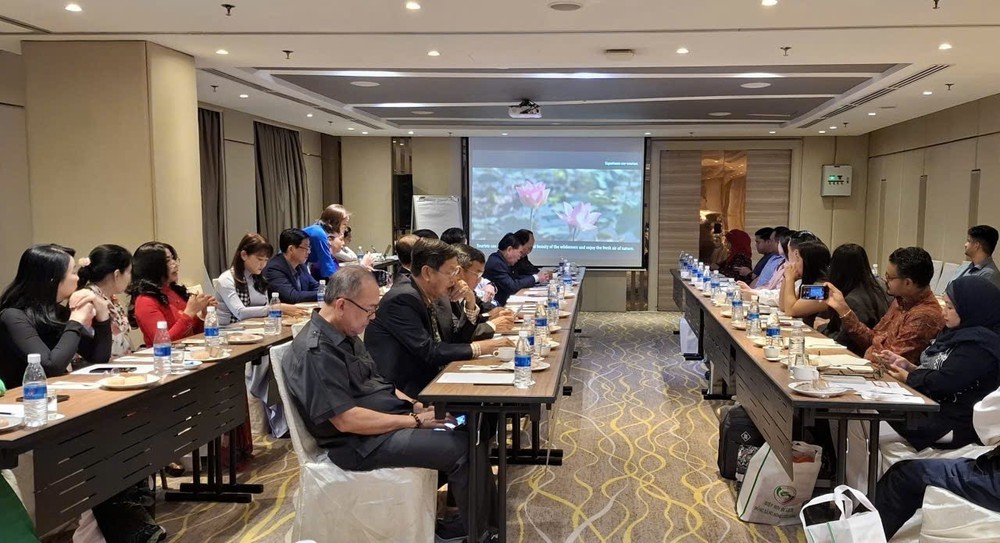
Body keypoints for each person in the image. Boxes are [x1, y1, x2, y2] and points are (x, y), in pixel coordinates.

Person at [282, 266, 497, 542]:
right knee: (460, 447)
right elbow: (346, 420)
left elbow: (380, 383)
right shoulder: (317, 351)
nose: (372, 318)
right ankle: (483, 534)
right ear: (342, 305)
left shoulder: (345, 333)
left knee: (469, 423)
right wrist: (414, 421)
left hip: (386, 422)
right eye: (369, 310)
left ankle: (474, 524)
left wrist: (418, 407)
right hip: (360, 443)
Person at [365, 239, 511, 397]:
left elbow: (456, 341)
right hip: (405, 391)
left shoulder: (436, 294)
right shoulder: (402, 298)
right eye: (450, 272)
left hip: (435, 378)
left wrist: (470, 302)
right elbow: (429, 352)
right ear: (427, 273)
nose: (455, 279)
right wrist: (481, 347)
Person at [876, 275, 1000, 450]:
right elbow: (943, 370)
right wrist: (910, 367)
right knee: (869, 410)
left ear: (970, 308)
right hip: (932, 409)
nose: (943, 312)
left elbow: (946, 381)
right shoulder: (957, 333)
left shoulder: (981, 346)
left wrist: (909, 377)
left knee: (868, 418)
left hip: (954, 423)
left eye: (950, 307)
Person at [872, 387, 1000, 540]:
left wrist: (912, 377)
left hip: (956, 427)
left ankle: (854, 535)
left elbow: (984, 417)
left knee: (903, 475)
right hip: (956, 421)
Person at [0, 244, 112, 387]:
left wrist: (102, 313)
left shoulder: (55, 312)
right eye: (73, 272)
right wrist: (76, 320)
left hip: (53, 393)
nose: (78, 278)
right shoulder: (12, 316)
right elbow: (51, 367)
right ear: (53, 279)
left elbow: (98, 357)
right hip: (23, 397)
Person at [825, 246, 946, 364]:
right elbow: (873, 338)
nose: (886, 281)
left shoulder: (924, 316)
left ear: (908, 283)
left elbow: (891, 361)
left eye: (890, 277)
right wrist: (844, 310)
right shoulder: (900, 301)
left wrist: (871, 351)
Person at [129, 242, 215, 346]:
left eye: (173, 258)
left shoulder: (174, 291)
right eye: (168, 261)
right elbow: (162, 342)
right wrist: (189, 313)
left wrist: (203, 314)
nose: (175, 264)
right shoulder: (145, 301)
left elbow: (193, 334)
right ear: (152, 267)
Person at [215, 233, 305, 325]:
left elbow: (265, 307)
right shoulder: (227, 279)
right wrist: (275, 308)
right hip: (229, 330)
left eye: (266, 260)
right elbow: (240, 312)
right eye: (259, 259)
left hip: (255, 327)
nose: (263, 264)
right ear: (244, 255)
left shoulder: (258, 278)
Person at [819, 244, 892, 357]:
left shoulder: (852, 300)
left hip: (860, 355)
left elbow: (843, 341)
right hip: (879, 348)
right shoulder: (880, 285)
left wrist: (822, 328)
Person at [78, 244, 135, 357]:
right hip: (95, 365)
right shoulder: (88, 299)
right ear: (117, 274)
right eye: (129, 272)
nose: (130, 278)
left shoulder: (111, 298)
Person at [452, 245, 515, 341]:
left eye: (481, 274)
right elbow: (457, 335)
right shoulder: (445, 296)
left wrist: (499, 312)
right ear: (459, 272)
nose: (479, 280)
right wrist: (492, 325)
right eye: (477, 274)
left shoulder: (468, 290)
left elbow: (482, 306)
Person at [484, 233, 551, 306]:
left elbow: (516, 279)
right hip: (498, 306)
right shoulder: (496, 263)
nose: (520, 256)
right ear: (509, 250)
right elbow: (512, 286)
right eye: (520, 252)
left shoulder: (503, 261)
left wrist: (536, 278)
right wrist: (536, 277)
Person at [778, 240, 831, 326]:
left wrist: (790, 279)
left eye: (797, 260)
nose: (793, 264)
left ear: (808, 263)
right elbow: (783, 306)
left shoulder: (821, 288)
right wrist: (786, 277)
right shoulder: (811, 283)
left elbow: (790, 311)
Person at [304, 204, 349, 281]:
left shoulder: (319, 230)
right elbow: (328, 267)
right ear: (335, 223)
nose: (345, 228)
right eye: (344, 224)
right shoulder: (319, 234)